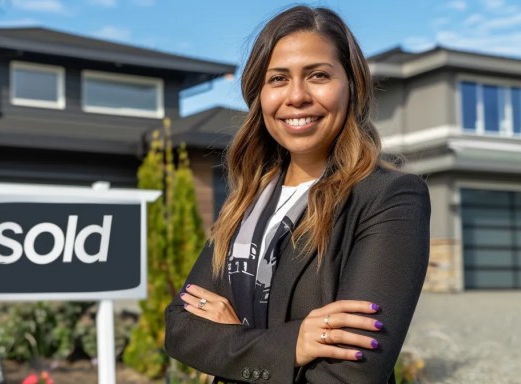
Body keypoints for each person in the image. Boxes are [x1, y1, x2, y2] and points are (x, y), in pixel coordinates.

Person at [164, 5, 430, 384]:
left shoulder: (388, 197)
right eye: (278, 79)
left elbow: (352, 374)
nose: (297, 96)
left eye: (318, 75)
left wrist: (232, 341)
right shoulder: (248, 202)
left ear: (352, 86)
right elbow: (180, 329)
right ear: (260, 95)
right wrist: (292, 345)